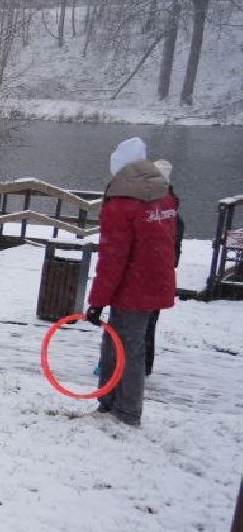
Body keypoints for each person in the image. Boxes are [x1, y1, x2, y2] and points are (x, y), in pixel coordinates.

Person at [86, 137, 178, 428]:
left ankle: (124, 410)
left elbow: (112, 257)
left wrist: (97, 300)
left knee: (125, 347)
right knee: (124, 344)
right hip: (155, 281)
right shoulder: (162, 196)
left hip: (132, 286)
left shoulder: (122, 204)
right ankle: (111, 401)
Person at [144, 159, 184, 375]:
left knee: (142, 325)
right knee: (149, 324)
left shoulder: (162, 214)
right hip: (160, 278)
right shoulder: (174, 214)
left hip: (150, 277)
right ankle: (144, 365)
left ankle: (138, 366)